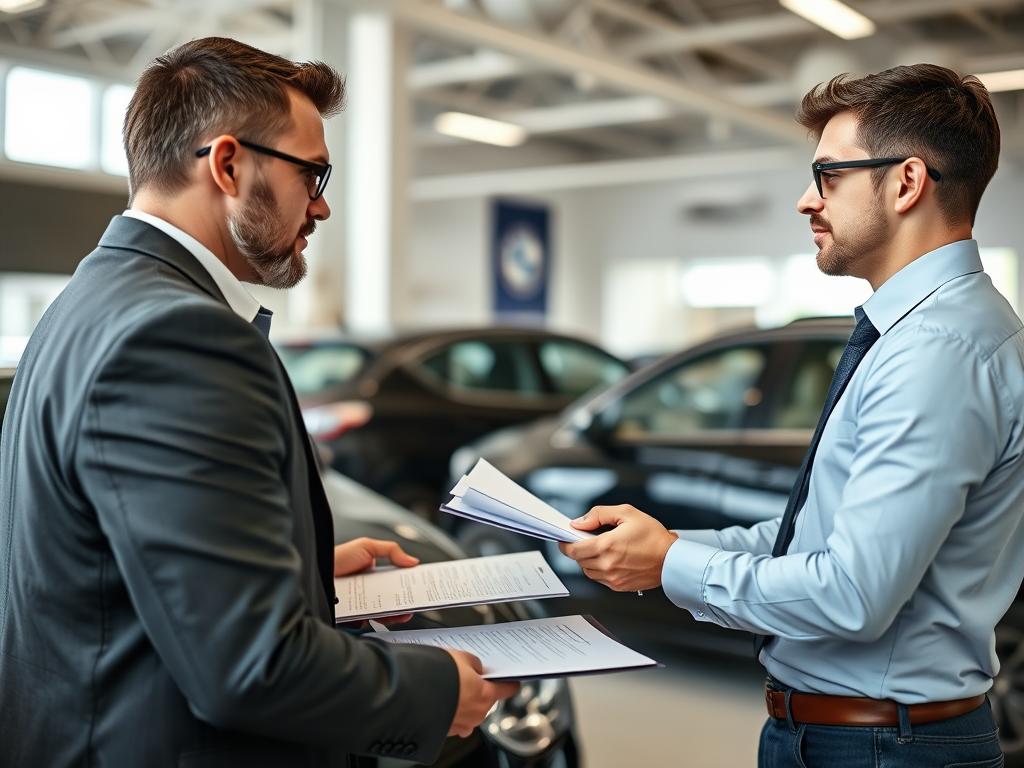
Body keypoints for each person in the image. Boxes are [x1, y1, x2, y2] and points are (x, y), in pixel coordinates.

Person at [0, 37, 515, 768]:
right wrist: (437, 691)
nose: (323, 204)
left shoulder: (91, 301)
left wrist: (301, 570)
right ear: (229, 164)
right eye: (313, 172)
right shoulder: (178, 336)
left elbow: (104, 572)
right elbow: (250, 668)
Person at [561, 63, 1024, 766]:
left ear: (905, 182)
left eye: (829, 176)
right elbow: (817, 543)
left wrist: (670, 564)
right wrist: (664, 547)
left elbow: (849, 595)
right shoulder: (920, 333)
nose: (807, 201)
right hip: (858, 734)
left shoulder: (939, 351)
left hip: (879, 746)